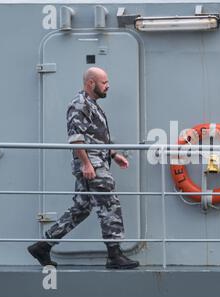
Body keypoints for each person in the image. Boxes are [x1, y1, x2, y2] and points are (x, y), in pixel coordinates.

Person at [28, 67, 139, 269]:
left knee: (81, 209)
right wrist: (87, 164)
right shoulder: (79, 105)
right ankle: (114, 255)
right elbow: (76, 139)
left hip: (97, 161)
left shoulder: (92, 105)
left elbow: (97, 137)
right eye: (104, 82)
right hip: (93, 166)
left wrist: (114, 154)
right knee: (109, 205)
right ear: (91, 83)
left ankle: (42, 246)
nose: (108, 86)